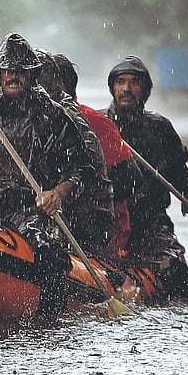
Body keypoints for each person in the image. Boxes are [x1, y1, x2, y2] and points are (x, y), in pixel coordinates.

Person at [0, 33, 99, 316]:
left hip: (32, 207)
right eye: (7, 71)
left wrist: (58, 193)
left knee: (48, 253)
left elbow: (81, 168)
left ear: (31, 74)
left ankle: (48, 321)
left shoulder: (52, 116)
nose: (13, 77)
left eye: (19, 71)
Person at [103, 55, 188, 301]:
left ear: (144, 90)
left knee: (187, 288)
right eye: (121, 82)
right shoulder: (98, 124)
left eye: (134, 83)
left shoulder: (160, 128)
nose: (126, 89)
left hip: (150, 224)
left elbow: (181, 175)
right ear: (113, 88)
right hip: (106, 223)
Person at [49, 53, 143, 258]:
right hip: (49, 218)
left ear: (63, 86)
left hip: (96, 224)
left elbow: (128, 181)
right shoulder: (28, 121)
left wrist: (72, 193)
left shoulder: (95, 122)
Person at [35, 50, 115, 261]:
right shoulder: (29, 116)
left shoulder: (67, 117)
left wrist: (60, 192)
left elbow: (86, 171)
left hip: (84, 218)